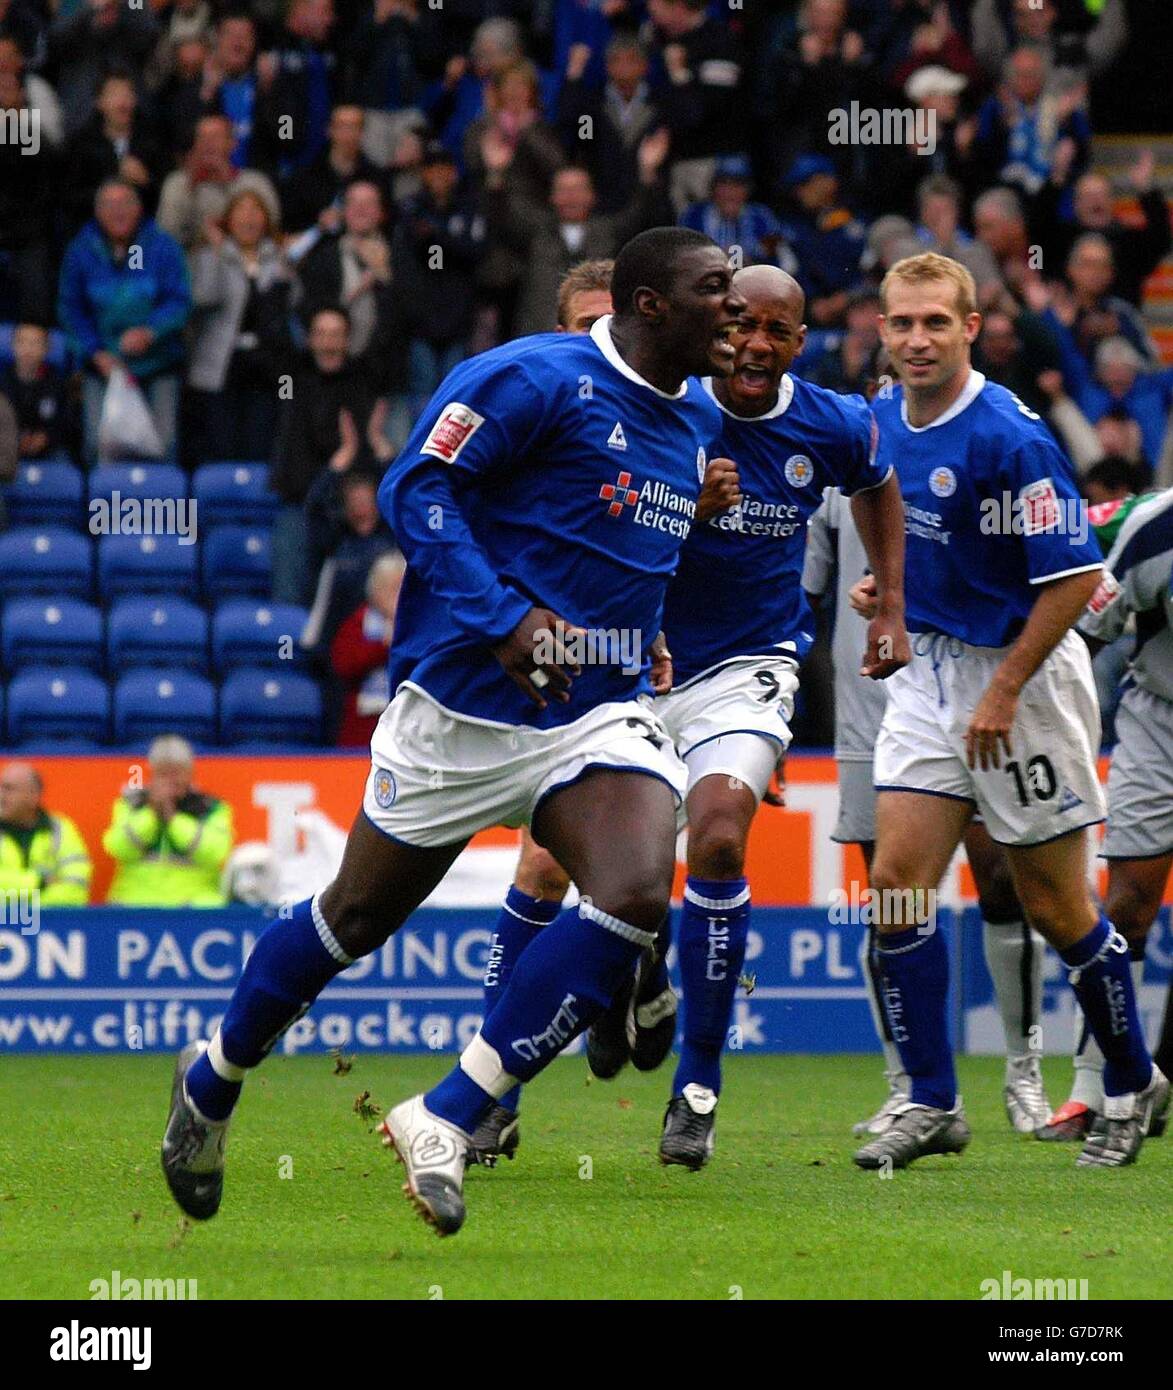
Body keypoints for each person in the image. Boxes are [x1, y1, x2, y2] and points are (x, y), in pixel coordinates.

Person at [160, 225, 746, 1235]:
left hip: (592, 710)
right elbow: (412, 491)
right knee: (351, 920)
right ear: (651, 304)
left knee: (639, 888)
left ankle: (450, 1110)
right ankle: (212, 1078)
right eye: (715, 291)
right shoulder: (533, 376)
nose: (732, 311)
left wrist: (643, 637)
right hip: (461, 709)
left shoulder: (693, 419)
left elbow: (610, 539)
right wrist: (507, 618)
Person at [851, 251, 1167, 1171]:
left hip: (1021, 684)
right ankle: (929, 1101)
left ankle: (1132, 1079)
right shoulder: (880, 419)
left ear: (970, 328)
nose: (916, 339)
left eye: (935, 323)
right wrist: (892, 599)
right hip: (928, 675)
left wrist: (1002, 688)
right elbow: (898, 524)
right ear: (881, 329)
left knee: (1057, 908)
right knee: (897, 887)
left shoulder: (1010, 438)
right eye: (901, 323)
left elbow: (1073, 579)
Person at [644, 263, 908, 1165]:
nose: (755, 344)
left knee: (717, 838)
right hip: (637, 664)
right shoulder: (663, 408)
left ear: (800, 341)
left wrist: (894, 603)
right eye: (739, 326)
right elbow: (595, 523)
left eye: (777, 331)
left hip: (751, 667)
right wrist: (685, 507)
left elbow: (876, 483)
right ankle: (585, 1020)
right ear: (715, 328)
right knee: (609, 877)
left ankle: (698, 1083)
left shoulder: (831, 422)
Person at [804, 488, 1052, 1137]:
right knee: (889, 901)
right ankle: (907, 1087)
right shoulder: (834, 461)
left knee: (1001, 880)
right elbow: (799, 594)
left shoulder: (967, 449)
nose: (891, 379)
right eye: (880, 374)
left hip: (964, 693)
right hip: (868, 709)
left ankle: (1023, 1069)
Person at [1042, 490, 1173, 1137]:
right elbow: (1085, 630)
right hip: (1159, 724)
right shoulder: (1153, 528)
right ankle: (1093, 1091)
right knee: (1125, 905)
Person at [57, 179, 192, 464]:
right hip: (103, 367)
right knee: (97, 445)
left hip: (158, 364)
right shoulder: (80, 251)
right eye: (109, 205)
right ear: (97, 211)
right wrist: (96, 352)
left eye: (125, 204)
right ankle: (105, 508)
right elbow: (71, 310)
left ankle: (161, 507)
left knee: (164, 445)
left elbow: (179, 301)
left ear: (139, 208)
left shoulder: (163, 247)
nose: (118, 212)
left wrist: (151, 331)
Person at [187, 189, 293, 463]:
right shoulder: (210, 255)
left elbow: (292, 306)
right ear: (228, 219)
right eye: (241, 210)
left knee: (260, 442)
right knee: (221, 445)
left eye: (256, 210)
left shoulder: (280, 258)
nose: (248, 217)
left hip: (266, 368)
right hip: (221, 365)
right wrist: (217, 252)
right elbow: (203, 297)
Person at [104, 737, 234, 908]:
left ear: (190, 773)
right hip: (135, 904)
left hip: (193, 906)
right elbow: (118, 848)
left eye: (177, 772)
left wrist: (173, 819)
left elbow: (215, 852)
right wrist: (151, 815)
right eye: (164, 773)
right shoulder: (131, 804)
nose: (170, 780)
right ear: (152, 773)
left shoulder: (211, 808)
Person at [156, 113, 280, 252]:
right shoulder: (178, 183)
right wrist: (190, 188)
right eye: (202, 137)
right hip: (195, 264)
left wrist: (227, 182)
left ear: (232, 143)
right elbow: (166, 236)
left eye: (215, 137)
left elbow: (272, 227)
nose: (208, 143)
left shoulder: (255, 181)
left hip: (248, 261)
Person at [330, 551, 406, 747]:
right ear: (375, 590)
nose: (398, 597)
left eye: (402, 588)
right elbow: (343, 664)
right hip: (364, 726)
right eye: (392, 589)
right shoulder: (359, 622)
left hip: (407, 724)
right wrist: (382, 647)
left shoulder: (420, 626)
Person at [0, 762, 92, 906]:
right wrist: (39, 881)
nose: (1, 795)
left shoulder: (60, 829)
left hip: (51, 927)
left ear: (33, 795)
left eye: (9, 789)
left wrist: (23, 908)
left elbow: (76, 890)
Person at [0, 323, 70, 460]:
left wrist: (46, 437)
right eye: (22, 342)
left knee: (63, 459)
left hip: (50, 450)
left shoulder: (57, 383)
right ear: (13, 346)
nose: (28, 349)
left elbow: (65, 423)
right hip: (8, 447)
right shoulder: (2, 382)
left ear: (46, 349)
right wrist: (16, 439)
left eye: (34, 343)